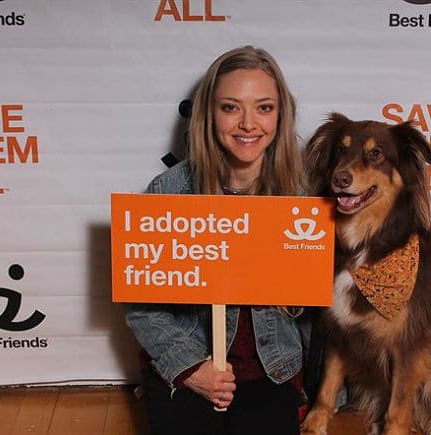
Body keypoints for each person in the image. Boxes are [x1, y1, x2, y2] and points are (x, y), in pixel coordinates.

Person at [125, 46, 311, 435]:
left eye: (263, 108)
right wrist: (190, 369)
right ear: (209, 113)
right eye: (231, 107)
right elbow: (143, 309)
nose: (248, 124)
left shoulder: (304, 198)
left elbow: (318, 314)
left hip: (272, 369)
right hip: (192, 359)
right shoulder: (168, 193)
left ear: (281, 113)